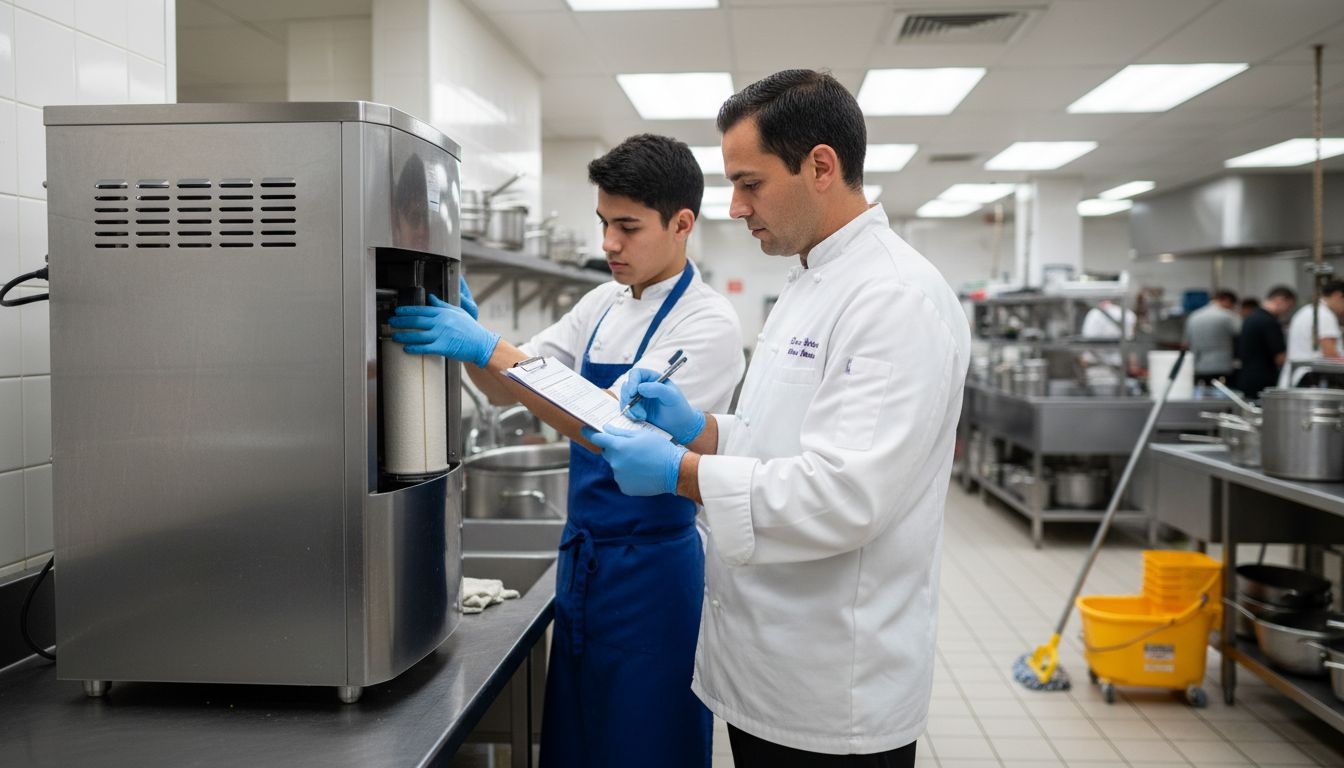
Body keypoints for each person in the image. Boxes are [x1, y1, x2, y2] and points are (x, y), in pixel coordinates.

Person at [583, 70, 969, 767]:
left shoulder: (893, 298)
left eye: (750, 182)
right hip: (769, 666)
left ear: (821, 166)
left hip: (833, 684)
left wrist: (681, 473)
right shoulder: (806, 281)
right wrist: (697, 428)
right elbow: (779, 440)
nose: (733, 206)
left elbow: (845, 494)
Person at [388, 134, 744, 767]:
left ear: (682, 223)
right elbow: (513, 390)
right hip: (583, 563)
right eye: (604, 223)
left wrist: (490, 348)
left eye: (628, 227)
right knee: (575, 747)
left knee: (647, 746)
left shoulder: (708, 324)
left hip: (653, 576)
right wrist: (477, 345)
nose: (608, 243)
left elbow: (609, 431)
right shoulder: (600, 304)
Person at [1236, 285, 1296, 399]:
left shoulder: (1251, 317)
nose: (1288, 311)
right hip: (1263, 381)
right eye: (1289, 306)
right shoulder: (1269, 322)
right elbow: (1280, 358)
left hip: (1247, 377)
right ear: (1280, 300)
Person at [1280, 280, 1344, 386]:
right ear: (1338, 296)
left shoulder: (1307, 311)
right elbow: (1330, 354)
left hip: (1296, 377)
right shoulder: (1324, 315)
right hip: (1309, 379)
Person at [1183, 289, 1241, 385]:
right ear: (1226, 300)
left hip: (1199, 366)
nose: (1232, 308)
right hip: (1223, 367)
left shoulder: (1194, 316)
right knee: (1223, 397)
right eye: (1232, 305)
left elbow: (1186, 342)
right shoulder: (1229, 316)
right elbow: (1241, 335)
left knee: (1203, 396)